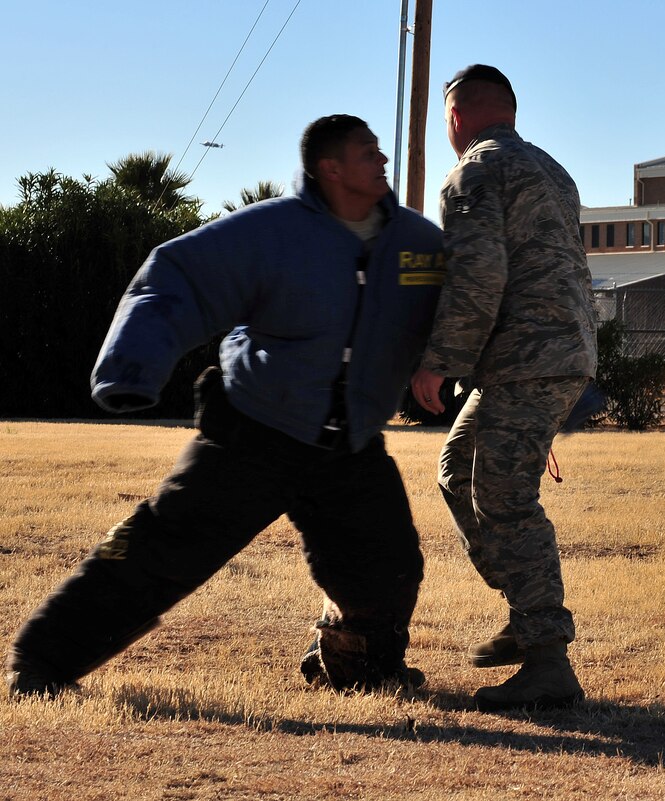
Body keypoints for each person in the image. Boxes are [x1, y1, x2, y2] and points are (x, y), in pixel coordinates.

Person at [6, 115, 445, 698]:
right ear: (330, 168)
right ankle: (42, 662)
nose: (382, 160)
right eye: (368, 152)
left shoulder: (417, 243)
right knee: (159, 549)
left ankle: (360, 667)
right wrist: (132, 369)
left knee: (387, 565)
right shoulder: (271, 231)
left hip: (350, 443)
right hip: (255, 432)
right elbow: (178, 277)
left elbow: (471, 305)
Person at [410, 65, 598, 712]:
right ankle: (526, 611)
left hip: (525, 357)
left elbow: (478, 274)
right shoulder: (552, 170)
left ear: (456, 116)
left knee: (504, 498)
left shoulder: (475, 172)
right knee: (457, 468)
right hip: (561, 351)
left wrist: (440, 361)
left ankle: (547, 658)